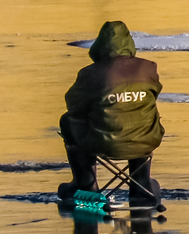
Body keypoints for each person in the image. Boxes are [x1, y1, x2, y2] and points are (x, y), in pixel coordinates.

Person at [59, 20, 164, 206]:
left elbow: (73, 104)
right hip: (145, 139)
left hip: (101, 141)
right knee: (140, 116)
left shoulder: (90, 73)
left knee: (67, 120)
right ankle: (141, 184)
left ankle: (86, 183)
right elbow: (154, 93)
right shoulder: (149, 68)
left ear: (99, 46)